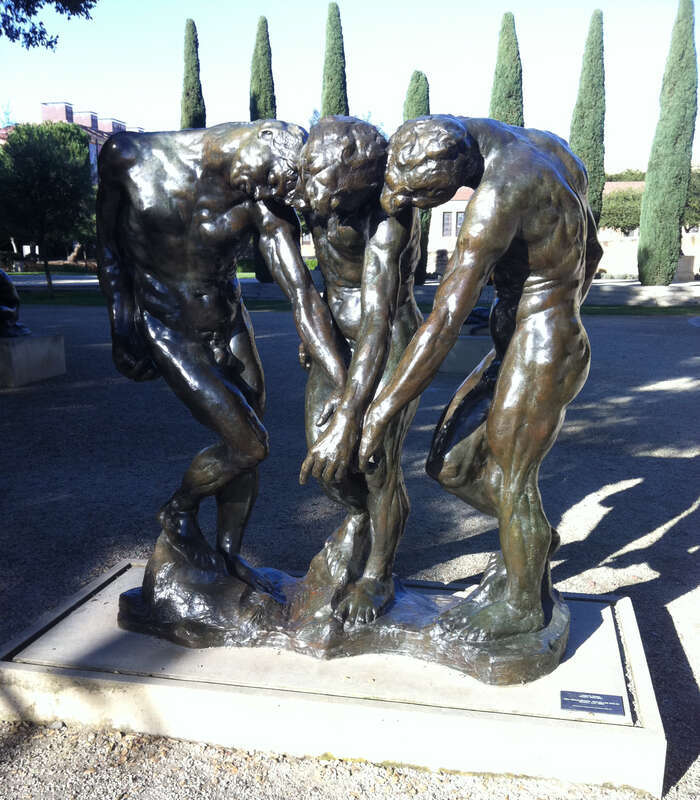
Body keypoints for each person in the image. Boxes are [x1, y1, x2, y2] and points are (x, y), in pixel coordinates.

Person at [359, 115, 603, 641]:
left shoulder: (498, 195)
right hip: (526, 335)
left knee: (513, 480)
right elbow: (595, 250)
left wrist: (381, 410)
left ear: (460, 169)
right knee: (451, 465)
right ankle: (530, 541)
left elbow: (445, 319)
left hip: (543, 343)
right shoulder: (549, 151)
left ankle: (521, 605)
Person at [97, 120, 346, 590]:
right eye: (268, 181)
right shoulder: (128, 156)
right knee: (249, 443)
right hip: (169, 326)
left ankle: (230, 558)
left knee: (248, 444)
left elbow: (301, 294)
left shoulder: (263, 197)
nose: (267, 194)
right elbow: (109, 246)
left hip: (227, 320)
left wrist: (341, 378)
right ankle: (180, 506)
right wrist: (120, 320)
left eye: (277, 189)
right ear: (255, 142)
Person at [295, 117, 422, 624]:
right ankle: (362, 517)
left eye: (325, 187)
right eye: (311, 180)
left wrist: (353, 412)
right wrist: (309, 327)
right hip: (336, 340)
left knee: (371, 457)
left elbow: (377, 321)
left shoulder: (388, 220)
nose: (310, 197)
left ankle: (377, 575)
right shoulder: (313, 188)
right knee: (321, 455)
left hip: (389, 339)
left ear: (358, 181)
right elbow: (299, 276)